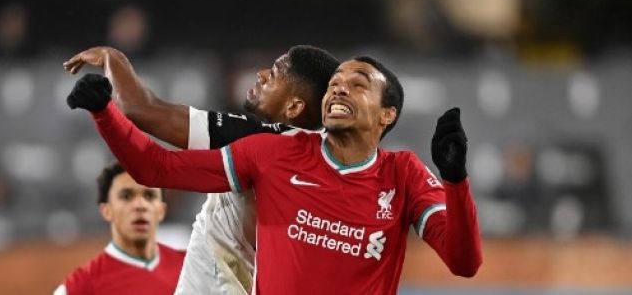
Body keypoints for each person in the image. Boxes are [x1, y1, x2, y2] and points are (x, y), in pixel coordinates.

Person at [66, 56, 483, 294]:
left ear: (387, 114)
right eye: (335, 83)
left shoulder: (403, 173)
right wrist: (105, 113)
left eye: (357, 84)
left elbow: (464, 262)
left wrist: (455, 181)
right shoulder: (275, 153)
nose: (339, 88)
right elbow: (156, 167)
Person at [63, 45, 341, 294]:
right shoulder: (325, 163)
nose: (261, 73)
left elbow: (142, 115)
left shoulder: (266, 147)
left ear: (294, 107)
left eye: (276, 72)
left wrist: (114, 59)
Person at [54, 162, 185, 295]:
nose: (140, 205)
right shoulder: (81, 286)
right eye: (126, 196)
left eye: (149, 196)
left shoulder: (190, 266)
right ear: (106, 210)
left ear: (162, 210)